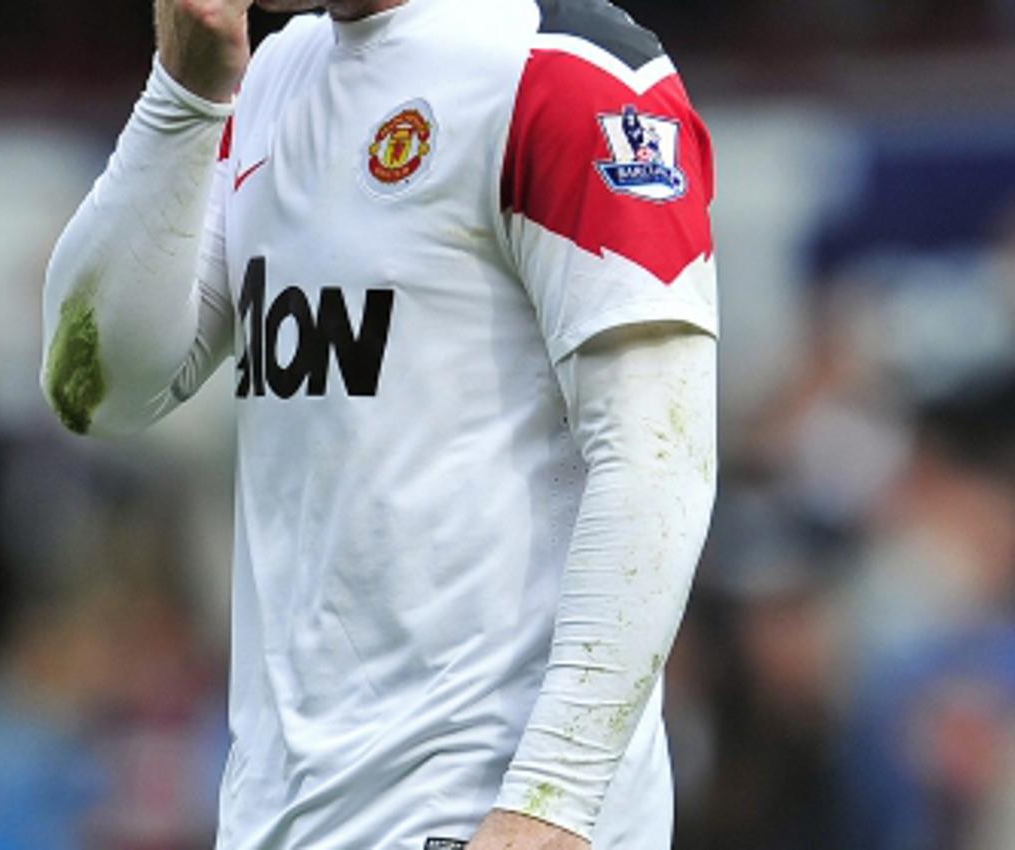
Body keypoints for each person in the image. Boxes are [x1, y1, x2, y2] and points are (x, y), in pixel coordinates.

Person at [40, 1, 719, 848]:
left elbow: (659, 459)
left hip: (482, 815)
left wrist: (552, 804)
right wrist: (182, 93)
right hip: (281, 818)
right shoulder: (271, 79)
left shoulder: (568, 71)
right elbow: (98, 392)